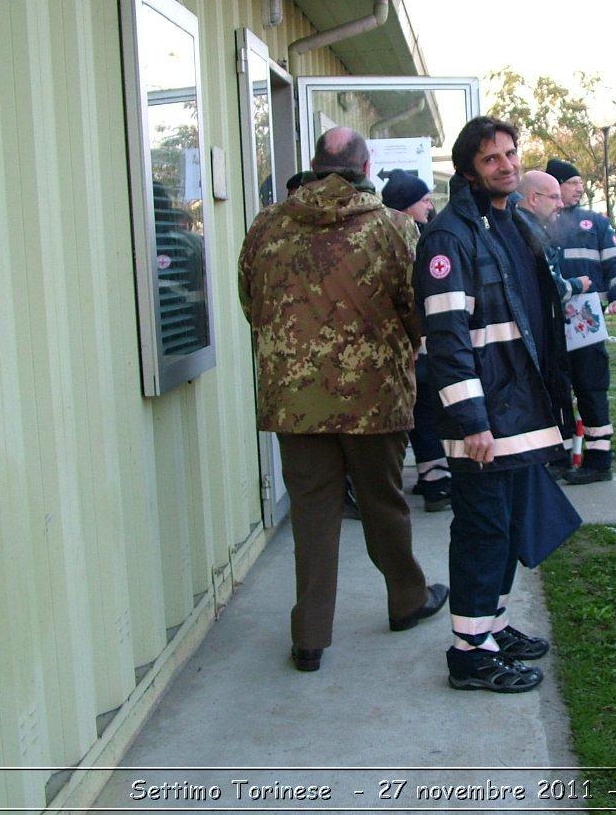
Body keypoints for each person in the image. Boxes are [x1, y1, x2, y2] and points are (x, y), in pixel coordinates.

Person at [238, 127, 447, 673]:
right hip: (375, 397)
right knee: (383, 502)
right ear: (365, 164)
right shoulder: (396, 229)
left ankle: (310, 636)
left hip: (296, 400)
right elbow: (416, 310)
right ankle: (407, 599)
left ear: (314, 163)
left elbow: (251, 302)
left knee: (311, 511)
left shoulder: (267, 226)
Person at [415, 116, 572, 693]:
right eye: (491, 159)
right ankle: (469, 653)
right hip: (484, 416)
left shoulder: (511, 223)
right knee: (483, 529)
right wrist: (470, 420)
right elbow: (447, 337)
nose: (505, 165)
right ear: (467, 170)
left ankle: (492, 625)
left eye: (510, 154)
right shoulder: (450, 236)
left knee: (507, 526)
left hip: (520, 408)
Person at [547, 158, 616, 484]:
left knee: (592, 387)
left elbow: (615, 262)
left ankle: (599, 461)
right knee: (556, 389)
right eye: (572, 183)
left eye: (580, 183)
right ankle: (559, 458)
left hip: (586, 318)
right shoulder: (538, 223)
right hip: (551, 318)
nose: (579, 188)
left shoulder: (595, 223)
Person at [381, 170, 452, 512]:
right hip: (415, 344)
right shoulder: (416, 240)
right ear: (406, 206)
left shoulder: (378, 238)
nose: (430, 205)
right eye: (424, 200)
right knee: (424, 409)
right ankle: (436, 479)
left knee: (418, 409)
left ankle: (430, 474)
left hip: (399, 346)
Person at [515, 169, 590, 306]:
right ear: (533, 199)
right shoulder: (531, 234)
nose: (560, 204)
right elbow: (551, 288)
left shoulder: (522, 227)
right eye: (554, 197)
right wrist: (578, 285)